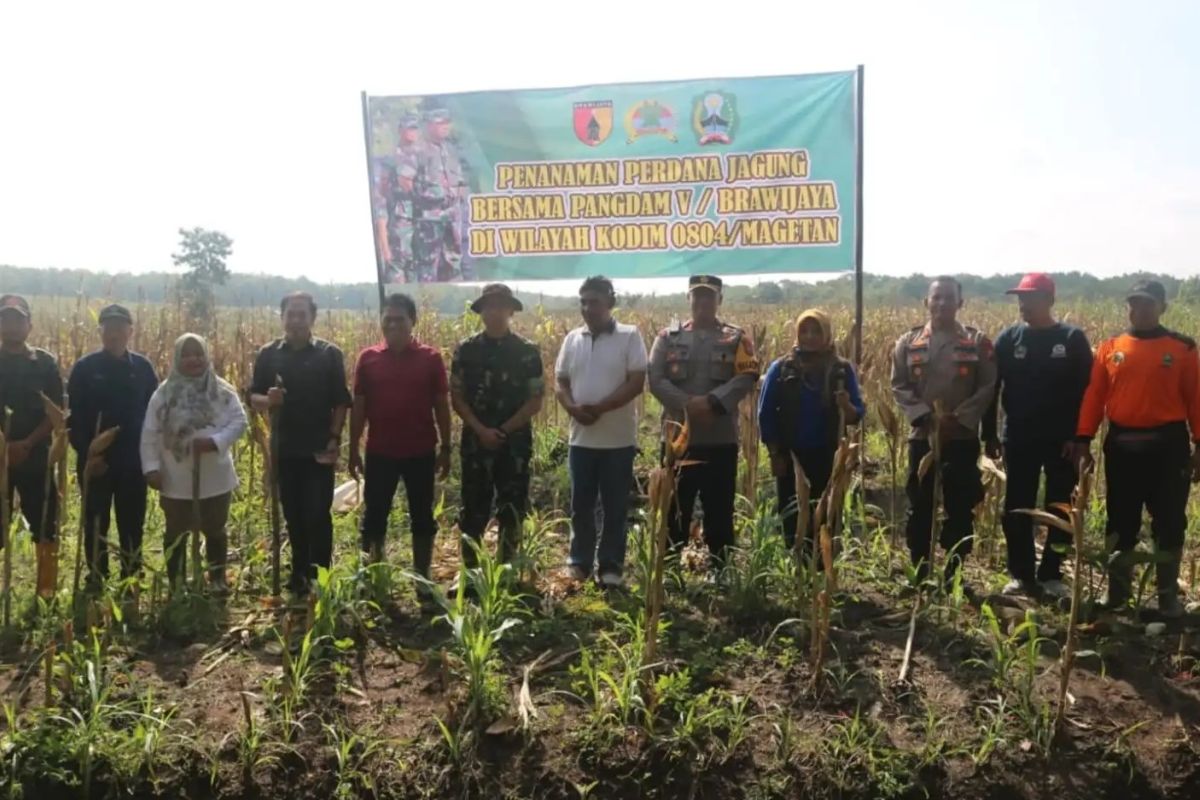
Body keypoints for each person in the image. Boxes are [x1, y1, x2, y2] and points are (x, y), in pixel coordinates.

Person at [1073, 280, 1200, 618]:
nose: (1139, 310)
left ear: (1162, 307)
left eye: (1147, 303)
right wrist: (1083, 439)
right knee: (1120, 521)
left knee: (1170, 521)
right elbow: (1094, 397)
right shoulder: (1110, 347)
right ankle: (1117, 595)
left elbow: (1196, 399)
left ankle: (1167, 597)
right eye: (1134, 303)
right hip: (1123, 446)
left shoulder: (1183, 349)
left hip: (1168, 446)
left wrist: (1199, 444)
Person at [983, 274, 1092, 599]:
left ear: (1049, 300)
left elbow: (1087, 392)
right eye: (1020, 298)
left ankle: (1052, 574)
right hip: (1019, 437)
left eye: (1030, 298)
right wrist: (989, 434)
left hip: (1063, 441)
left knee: (1060, 507)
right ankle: (1021, 574)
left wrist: (1080, 436)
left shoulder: (1071, 339)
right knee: (1018, 507)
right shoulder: (1008, 339)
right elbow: (992, 389)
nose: (1023, 304)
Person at [891, 277, 997, 590]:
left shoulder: (977, 342)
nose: (941, 304)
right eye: (936, 298)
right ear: (926, 302)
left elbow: (988, 386)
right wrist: (925, 417)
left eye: (948, 299)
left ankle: (954, 575)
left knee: (960, 506)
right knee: (920, 505)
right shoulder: (908, 342)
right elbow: (898, 385)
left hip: (961, 438)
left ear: (959, 304)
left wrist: (959, 419)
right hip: (922, 437)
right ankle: (920, 572)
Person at [648, 275, 758, 573]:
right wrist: (688, 404)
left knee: (719, 509)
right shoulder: (667, 337)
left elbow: (747, 375)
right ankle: (669, 572)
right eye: (697, 296)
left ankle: (720, 570)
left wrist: (712, 401)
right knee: (674, 507)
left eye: (709, 296)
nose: (702, 302)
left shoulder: (736, 338)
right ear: (689, 299)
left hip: (720, 440)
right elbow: (655, 379)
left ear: (719, 300)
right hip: (677, 441)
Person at [250, 292, 352, 597]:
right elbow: (252, 398)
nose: (295, 320)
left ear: (312, 318)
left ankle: (320, 577)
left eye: (301, 314)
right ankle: (298, 574)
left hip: (319, 448)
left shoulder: (328, 354)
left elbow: (341, 402)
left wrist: (334, 439)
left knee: (318, 513)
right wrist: (268, 399)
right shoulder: (269, 355)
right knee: (293, 514)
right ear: (282, 317)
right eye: (290, 314)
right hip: (284, 449)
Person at [348, 293, 451, 590]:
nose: (393, 325)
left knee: (422, 516)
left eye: (400, 319)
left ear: (413, 322)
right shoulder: (368, 359)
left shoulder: (430, 359)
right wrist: (353, 448)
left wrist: (446, 447)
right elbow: (359, 406)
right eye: (387, 319)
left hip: (420, 451)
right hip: (380, 451)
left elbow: (441, 405)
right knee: (374, 515)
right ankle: (373, 577)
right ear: (381, 321)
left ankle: (421, 578)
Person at [554, 276, 648, 588]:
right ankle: (579, 562)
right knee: (581, 504)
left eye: (594, 301)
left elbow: (636, 381)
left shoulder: (629, 336)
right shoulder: (572, 339)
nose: (587, 308)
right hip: (581, 439)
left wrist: (601, 408)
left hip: (618, 441)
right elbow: (561, 382)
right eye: (583, 301)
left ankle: (610, 566)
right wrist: (573, 408)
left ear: (610, 302)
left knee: (615, 506)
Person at [140, 334, 247, 593]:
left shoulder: (222, 390)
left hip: (216, 476)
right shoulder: (163, 394)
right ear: (177, 358)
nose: (193, 359)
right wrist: (151, 468)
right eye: (186, 354)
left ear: (206, 356)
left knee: (215, 529)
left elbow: (239, 421)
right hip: (176, 477)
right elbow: (150, 433)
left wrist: (215, 441)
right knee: (176, 531)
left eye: (198, 353)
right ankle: (176, 581)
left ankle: (217, 579)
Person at [450, 284, 544, 567]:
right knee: (473, 508)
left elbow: (535, 399)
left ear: (511, 310)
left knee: (511, 507)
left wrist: (503, 431)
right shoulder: (466, 350)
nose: (495, 311)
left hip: (513, 443)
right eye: (489, 306)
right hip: (475, 441)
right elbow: (456, 396)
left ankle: (506, 569)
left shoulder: (527, 352)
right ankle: (470, 571)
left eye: (501, 306)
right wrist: (481, 430)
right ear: (481, 311)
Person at [758, 308, 865, 555]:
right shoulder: (782, 368)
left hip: (828, 454)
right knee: (793, 513)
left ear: (827, 334)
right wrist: (775, 454)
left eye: (816, 331)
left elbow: (856, 414)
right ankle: (796, 564)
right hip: (790, 455)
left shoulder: (841, 370)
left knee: (827, 513)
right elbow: (765, 414)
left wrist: (846, 404)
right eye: (804, 331)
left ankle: (823, 566)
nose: (809, 336)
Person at [68, 303, 158, 586]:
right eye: (109, 327)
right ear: (100, 331)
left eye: (120, 327)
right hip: (96, 461)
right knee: (96, 523)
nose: (115, 333)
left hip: (133, 461)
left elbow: (155, 413)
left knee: (132, 521)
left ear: (130, 331)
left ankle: (131, 575)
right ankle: (97, 576)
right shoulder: (85, 368)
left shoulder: (143, 368)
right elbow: (74, 419)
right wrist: (87, 455)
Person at [0, 295, 64, 598]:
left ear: (30, 325)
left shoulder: (46, 363)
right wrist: (4, 447)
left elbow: (54, 414)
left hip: (36, 455)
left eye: (17, 319)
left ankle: (46, 591)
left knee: (45, 522)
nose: (11, 326)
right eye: (5, 319)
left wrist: (25, 443)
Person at [412, 108, 466, 282]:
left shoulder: (450, 150)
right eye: (440, 123)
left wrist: (459, 195)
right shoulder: (417, 150)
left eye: (447, 123)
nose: (445, 127)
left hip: (452, 215)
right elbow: (406, 183)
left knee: (453, 263)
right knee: (427, 265)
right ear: (429, 125)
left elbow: (460, 180)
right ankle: (426, 303)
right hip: (429, 216)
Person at [374, 113, 422, 284]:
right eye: (409, 128)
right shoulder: (391, 158)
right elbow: (382, 192)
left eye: (415, 128)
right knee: (398, 268)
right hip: (400, 221)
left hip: (422, 221)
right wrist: (384, 245)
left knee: (418, 268)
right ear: (401, 130)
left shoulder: (423, 155)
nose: (413, 132)